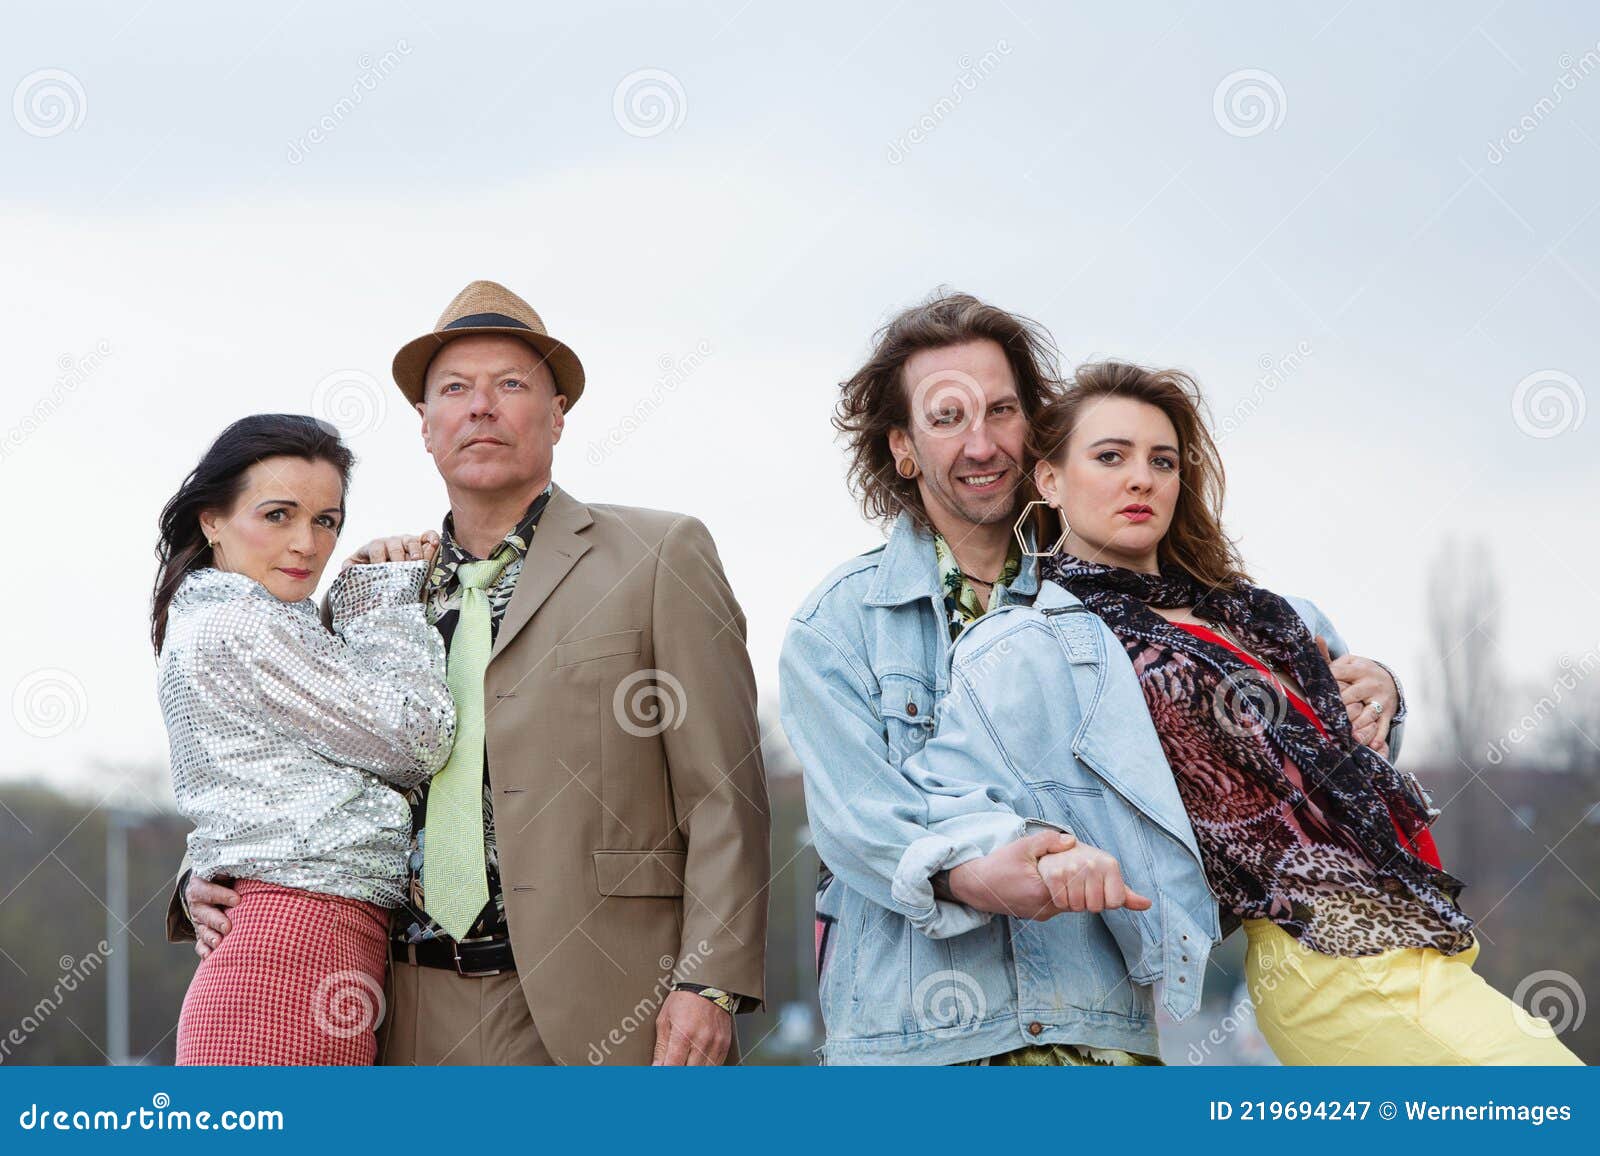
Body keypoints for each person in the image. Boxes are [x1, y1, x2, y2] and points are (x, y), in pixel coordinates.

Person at [778, 291, 1408, 1064]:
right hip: (916, 1043)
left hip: (1099, 1031)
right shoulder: (838, 627)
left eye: (1003, 411)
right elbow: (861, 824)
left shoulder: (1117, 599)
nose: (981, 444)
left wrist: (1375, 692)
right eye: (947, 419)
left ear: (1037, 435)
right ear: (903, 448)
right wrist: (976, 874)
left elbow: (1264, 707)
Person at [170, 280, 770, 1065]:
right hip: (402, 1007)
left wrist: (712, 982)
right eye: (455, 389)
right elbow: (282, 761)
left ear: (558, 414)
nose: (480, 406)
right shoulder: (369, 592)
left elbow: (725, 794)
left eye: (511, 385)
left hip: (614, 1003)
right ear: (425, 426)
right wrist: (200, 874)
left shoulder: (658, 556)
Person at [917, 359, 1580, 1064]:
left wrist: (1384, 689)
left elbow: (1355, 745)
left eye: (1162, 460)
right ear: (1049, 480)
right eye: (1110, 456)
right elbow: (945, 797)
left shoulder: (1259, 614)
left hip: (1416, 936)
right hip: (1326, 960)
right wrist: (1034, 858)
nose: (1141, 477)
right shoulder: (1032, 642)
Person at [153, 414, 456, 1065]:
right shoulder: (246, 625)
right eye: (278, 515)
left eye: (326, 521)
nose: (307, 545)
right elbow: (418, 738)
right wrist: (383, 597)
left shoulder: (217, 616)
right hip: (290, 961)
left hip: (303, 948)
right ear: (212, 519)